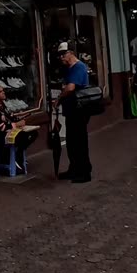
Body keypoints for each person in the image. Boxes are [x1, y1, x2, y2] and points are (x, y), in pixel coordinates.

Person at [54, 42, 92, 184]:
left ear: (70, 53)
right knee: (72, 141)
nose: (61, 57)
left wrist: (58, 99)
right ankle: (74, 168)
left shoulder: (79, 67)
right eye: (59, 55)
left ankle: (84, 172)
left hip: (79, 110)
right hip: (71, 110)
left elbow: (70, 88)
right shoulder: (69, 68)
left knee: (80, 141)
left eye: (63, 54)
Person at [0, 84, 37, 172]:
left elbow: (11, 118)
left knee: (33, 133)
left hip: (11, 131)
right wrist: (17, 124)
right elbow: (2, 127)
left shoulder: (3, 106)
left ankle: (18, 154)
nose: (3, 93)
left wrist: (21, 118)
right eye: (0, 92)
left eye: (3, 91)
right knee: (22, 137)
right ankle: (17, 158)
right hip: (0, 136)